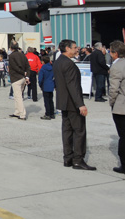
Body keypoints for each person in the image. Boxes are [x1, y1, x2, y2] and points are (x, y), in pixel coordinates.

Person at [53, 39, 96, 170]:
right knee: (79, 131)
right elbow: (73, 86)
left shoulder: (58, 61)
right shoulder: (68, 64)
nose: (77, 49)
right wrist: (80, 104)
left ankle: (68, 158)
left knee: (67, 131)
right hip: (72, 103)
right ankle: (78, 160)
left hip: (64, 102)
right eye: (74, 47)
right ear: (67, 48)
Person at [108, 40, 125, 174]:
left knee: (124, 137)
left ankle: (124, 165)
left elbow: (114, 89)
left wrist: (112, 103)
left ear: (115, 53)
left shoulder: (117, 66)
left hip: (122, 107)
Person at [8, 44, 30, 120]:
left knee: (18, 97)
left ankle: (22, 114)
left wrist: (22, 72)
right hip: (23, 78)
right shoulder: (23, 55)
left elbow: (14, 67)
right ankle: (17, 111)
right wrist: (26, 76)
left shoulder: (11, 56)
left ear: (11, 48)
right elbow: (28, 66)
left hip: (16, 77)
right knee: (17, 96)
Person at [38, 55, 55, 120]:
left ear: (43, 61)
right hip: (51, 84)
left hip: (45, 85)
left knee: (46, 101)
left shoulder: (43, 68)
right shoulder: (52, 68)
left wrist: (40, 85)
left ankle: (47, 114)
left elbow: (40, 78)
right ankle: (52, 113)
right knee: (51, 100)